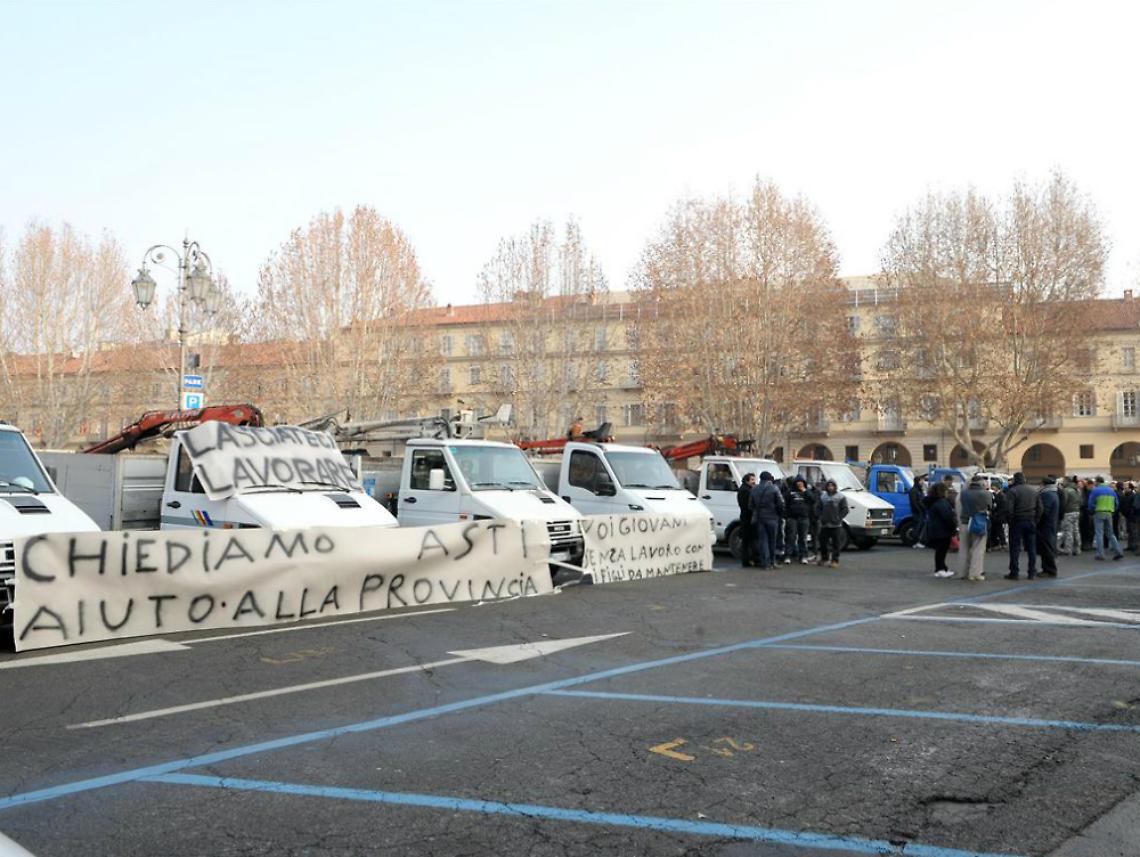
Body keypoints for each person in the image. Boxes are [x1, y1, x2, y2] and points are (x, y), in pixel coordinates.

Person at [1005, 473, 1042, 580]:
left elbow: (1009, 509)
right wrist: (1036, 520)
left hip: (1017, 521)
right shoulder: (1034, 491)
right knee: (1031, 548)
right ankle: (1032, 572)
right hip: (1031, 521)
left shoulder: (1012, 491)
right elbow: (1040, 508)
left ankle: (1014, 572)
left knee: (1015, 548)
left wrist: (1010, 521)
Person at [957, 475, 992, 582]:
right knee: (978, 549)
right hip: (979, 522)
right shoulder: (986, 494)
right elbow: (989, 506)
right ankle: (975, 573)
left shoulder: (963, 493)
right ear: (982, 483)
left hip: (965, 522)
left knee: (964, 548)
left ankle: (963, 572)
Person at [750, 471, 785, 570]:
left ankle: (765, 563)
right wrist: (779, 513)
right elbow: (781, 503)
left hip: (760, 518)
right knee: (772, 541)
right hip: (772, 517)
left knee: (763, 541)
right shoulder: (774, 488)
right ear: (769, 479)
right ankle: (772, 562)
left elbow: (750, 505)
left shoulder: (754, 489)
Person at [925, 482, 958, 578]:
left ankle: (941, 568)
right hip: (942, 530)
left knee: (940, 550)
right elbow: (947, 516)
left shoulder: (932, 501)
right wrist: (953, 526)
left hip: (935, 529)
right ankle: (940, 569)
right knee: (942, 550)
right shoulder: (941, 502)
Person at [1089, 475, 1125, 561]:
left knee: (1099, 534)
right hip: (1109, 513)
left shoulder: (1095, 490)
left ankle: (1100, 554)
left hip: (1099, 513)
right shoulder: (1111, 490)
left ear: (1097, 482)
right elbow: (1117, 503)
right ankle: (1118, 551)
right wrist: (1112, 511)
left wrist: (1092, 510)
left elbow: (1090, 504)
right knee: (1110, 534)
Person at [815, 479, 848, 568]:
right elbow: (818, 508)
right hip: (824, 524)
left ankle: (835, 560)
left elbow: (845, 509)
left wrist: (839, 518)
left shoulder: (840, 497)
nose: (830, 487)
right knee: (823, 543)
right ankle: (824, 558)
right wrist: (820, 517)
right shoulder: (823, 496)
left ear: (835, 487)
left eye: (832, 486)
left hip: (836, 525)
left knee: (836, 544)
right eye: (829, 486)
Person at [784, 477, 812, 565]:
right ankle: (788, 555)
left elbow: (813, 500)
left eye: (801, 482)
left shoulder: (807, 492)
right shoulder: (790, 492)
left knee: (803, 538)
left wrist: (805, 491)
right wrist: (786, 515)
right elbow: (785, 503)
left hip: (804, 517)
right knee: (790, 537)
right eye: (798, 482)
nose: (799, 484)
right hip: (792, 518)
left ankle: (803, 556)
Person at [1036, 476, 1061, 577]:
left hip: (1046, 525)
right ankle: (1047, 569)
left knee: (1047, 547)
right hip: (1051, 523)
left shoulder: (1047, 495)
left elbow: (1044, 511)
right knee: (1048, 546)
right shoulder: (1054, 493)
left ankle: (1049, 569)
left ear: (1044, 484)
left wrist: (1037, 520)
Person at [736, 473, 758, 567]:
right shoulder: (746, 491)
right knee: (748, 541)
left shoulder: (745, 489)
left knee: (747, 541)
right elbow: (748, 506)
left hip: (745, 518)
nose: (754, 481)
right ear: (747, 480)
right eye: (752, 479)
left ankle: (748, 560)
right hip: (747, 519)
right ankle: (748, 560)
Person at [1057, 476, 1082, 556]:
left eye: (1064, 481)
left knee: (1068, 531)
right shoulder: (1077, 490)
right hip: (1077, 511)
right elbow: (1081, 501)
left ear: (1067, 481)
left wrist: (1061, 511)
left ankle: (1068, 549)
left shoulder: (1066, 490)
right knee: (1076, 531)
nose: (1063, 482)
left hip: (1068, 512)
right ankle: (1077, 549)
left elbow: (1064, 502)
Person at [987, 482, 1009, 552]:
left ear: (996, 487)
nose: (991, 488)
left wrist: (995, 514)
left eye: (992, 487)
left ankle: (1002, 544)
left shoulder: (1000, 496)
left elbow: (1001, 507)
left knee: (999, 530)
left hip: (999, 517)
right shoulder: (998, 495)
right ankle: (1000, 544)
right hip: (998, 516)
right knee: (998, 530)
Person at [909, 474, 927, 548]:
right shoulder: (914, 490)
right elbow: (915, 502)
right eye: (921, 480)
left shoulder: (919, 490)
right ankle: (915, 542)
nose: (922, 482)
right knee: (917, 527)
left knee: (920, 527)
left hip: (921, 512)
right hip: (918, 512)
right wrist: (920, 510)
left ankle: (918, 542)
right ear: (917, 481)